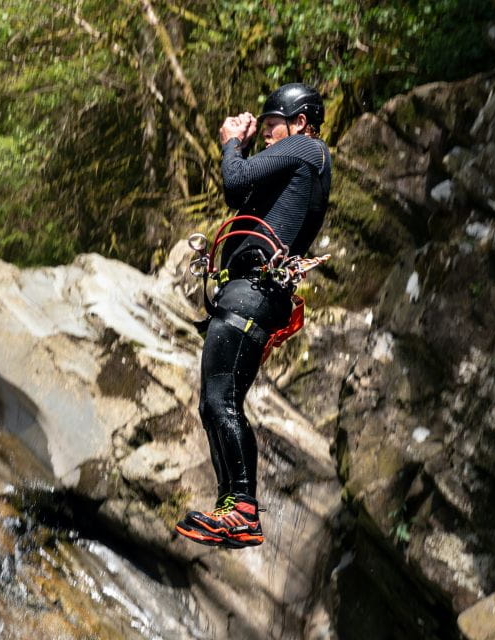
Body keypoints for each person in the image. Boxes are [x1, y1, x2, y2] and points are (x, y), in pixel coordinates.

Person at [175, 83, 332, 548]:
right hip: (248, 293)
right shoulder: (297, 167)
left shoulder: (306, 148)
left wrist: (229, 142)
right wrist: (240, 149)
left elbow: (234, 181)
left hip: (254, 293)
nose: (266, 136)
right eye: (261, 130)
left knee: (220, 401)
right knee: (213, 404)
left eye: (271, 127)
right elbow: (240, 191)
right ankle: (232, 507)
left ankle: (241, 509)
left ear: (300, 122)